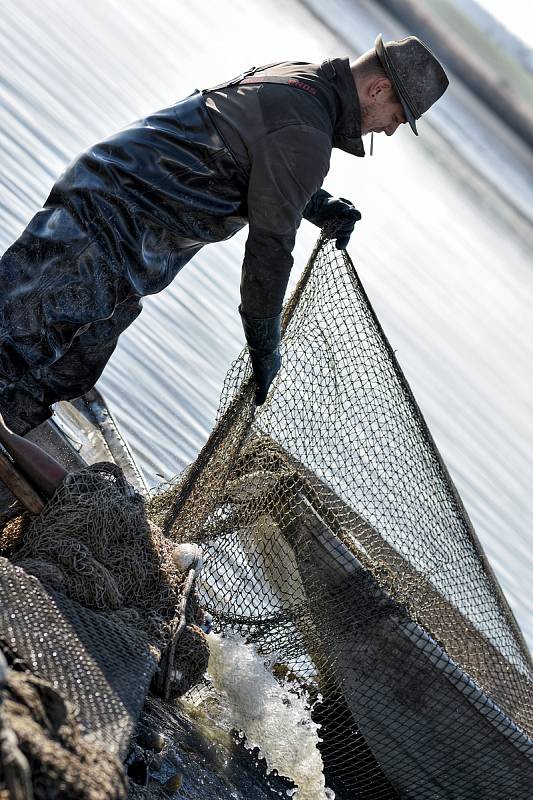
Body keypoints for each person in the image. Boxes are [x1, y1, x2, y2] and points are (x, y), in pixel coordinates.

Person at [0, 34, 448, 434]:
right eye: (397, 115)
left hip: (120, 238)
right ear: (378, 88)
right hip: (100, 230)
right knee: (16, 344)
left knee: (66, 372)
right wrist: (264, 344)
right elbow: (268, 254)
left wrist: (315, 203)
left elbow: (258, 159)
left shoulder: (301, 81)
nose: (389, 129)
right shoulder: (306, 133)